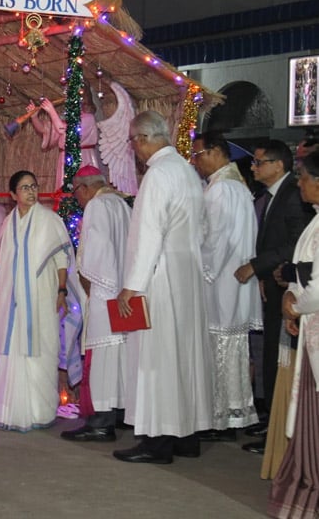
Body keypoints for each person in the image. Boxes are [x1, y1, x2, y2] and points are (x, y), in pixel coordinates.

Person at [113, 110, 213, 464]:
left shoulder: (157, 175)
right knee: (183, 356)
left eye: (133, 142)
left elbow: (147, 234)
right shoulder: (188, 171)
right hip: (187, 273)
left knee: (157, 359)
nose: (134, 150)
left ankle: (157, 441)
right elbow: (202, 229)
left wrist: (132, 285)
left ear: (142, 140)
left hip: (161, 276)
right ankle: (186, 436)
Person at [0, 171, 72, 432]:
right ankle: (11, 413)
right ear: (13, 195)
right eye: (24, 188)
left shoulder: (49, 220)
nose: (31, 192)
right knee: (13, 353)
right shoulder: (8, 222)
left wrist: (61, 291)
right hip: (13, 303)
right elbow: (6, 261)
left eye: (34, 186)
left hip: (41, 299)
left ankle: (41, 413)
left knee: (41, 352)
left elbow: (61, 259)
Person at [234, 140, 313, 456]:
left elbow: (294, 245)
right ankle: (270, 419)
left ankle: (277, 428)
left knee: (278, 356)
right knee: (269, 353)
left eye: (259, 162)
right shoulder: (272, 195)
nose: (254, 167)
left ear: (278, 165)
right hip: (276, 282)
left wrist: (257, 266)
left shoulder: (293, 197)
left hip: (291, 287)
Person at [190, 133, 261, 441]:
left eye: (198, 155)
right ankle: (233, 414)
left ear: (216, 152)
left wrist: (196, 267)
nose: (196, 162)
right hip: (233, 280)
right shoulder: (236, 187)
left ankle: (221, 419)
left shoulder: (221, 190)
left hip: (219, 281)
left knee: (220, 347)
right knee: (231, 349)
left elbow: (214, 241)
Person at [60, 166, 130, 443]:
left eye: (76, 192)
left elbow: (93, 255)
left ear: (85, 188)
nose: (76, 198)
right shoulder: (122, 205)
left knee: (101, 359)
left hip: (103, 293)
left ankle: (101, 422)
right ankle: (121, 413)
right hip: (123, 294)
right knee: (118, 358)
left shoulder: (97, 206)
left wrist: (89, 284)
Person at [270, 149, 319, 518]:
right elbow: (303, 274)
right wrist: (292, 296)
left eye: (303, 177)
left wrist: (295, 306)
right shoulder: (314, 222)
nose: (299, 184)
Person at [29, 89, 102, 190]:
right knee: (65, 190)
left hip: (83, 158)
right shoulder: (65, 120)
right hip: (65, 158)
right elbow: (46, 131)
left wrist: (51, 111)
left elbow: (66, 132)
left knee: (83, 187)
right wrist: (34, 117)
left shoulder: (88, 118)